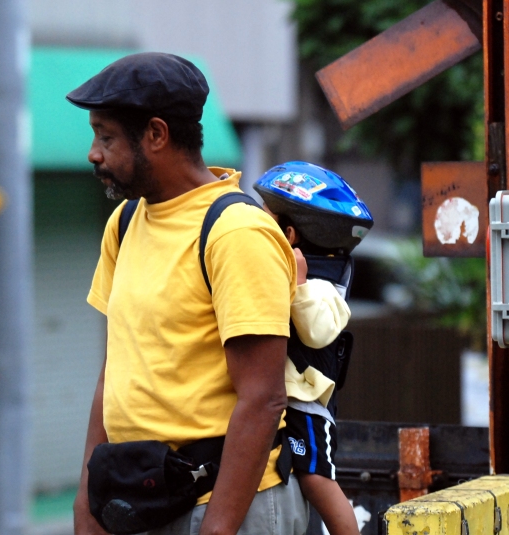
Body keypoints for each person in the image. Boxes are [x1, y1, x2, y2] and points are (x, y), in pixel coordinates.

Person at [66, 53, 309, 535]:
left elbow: (262, 398)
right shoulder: (125, 222)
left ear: (156, 135)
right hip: (144, 499)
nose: (94, 153)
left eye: (106, 137)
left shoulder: (235, 232)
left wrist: (216, 528)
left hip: (225, 506)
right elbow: (114, 372)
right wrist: (87, 499)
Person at [254, 161, 374, 535]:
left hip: (306, 403)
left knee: (316, 477)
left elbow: (318, 332)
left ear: (289, 234)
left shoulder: (326, 284)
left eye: (266, 220)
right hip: (279, 399)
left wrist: (300, 283)